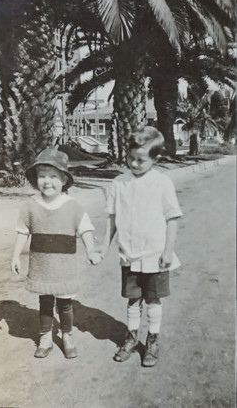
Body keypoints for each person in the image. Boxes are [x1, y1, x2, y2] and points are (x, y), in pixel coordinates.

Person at [101, 126, 182, 367]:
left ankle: (153, 340)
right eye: (130, 158)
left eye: (141, 160)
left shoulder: (162, 182)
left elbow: (172, 218)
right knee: (133, 299)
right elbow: (112, 219)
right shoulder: (118, 183)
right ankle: (132, 338)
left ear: (155, 159)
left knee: (153, 300)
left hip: (155, 255)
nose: (134, 164)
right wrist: (103, 246)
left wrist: (167, 251)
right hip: (129, 255)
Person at [11, 148, 101, 360]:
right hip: (42, 266)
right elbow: (22, 231)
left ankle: (67, 335)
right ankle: (45, 338)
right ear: (35, 179)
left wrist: (91, 250)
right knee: (44, 302)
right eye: (42, 176)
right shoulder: (30, 206)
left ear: (64, 180)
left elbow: (85, 229)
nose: (46, 181)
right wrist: (15, 256)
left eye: (53, 176)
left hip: (64, 266)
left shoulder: (73, 207)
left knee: (65, 303)